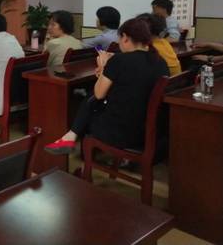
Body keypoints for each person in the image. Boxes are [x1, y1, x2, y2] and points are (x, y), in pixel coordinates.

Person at [44, 18, 169, 154]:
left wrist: (104, 67)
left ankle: (71, 137)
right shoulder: (160, 61)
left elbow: (99, 94)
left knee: (91, 98)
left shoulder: (119, 60)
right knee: (92, 100)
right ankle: (70, 137)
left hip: (122, 133)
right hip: (151, 131)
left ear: (125, 37)